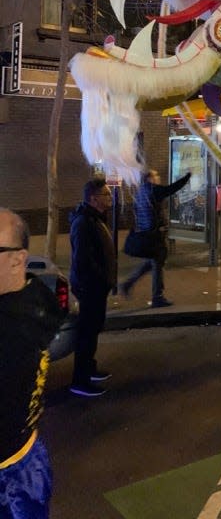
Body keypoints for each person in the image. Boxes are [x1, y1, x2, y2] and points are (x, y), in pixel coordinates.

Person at [0, 208, 64, 518]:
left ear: (16, 257)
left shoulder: (12, 328)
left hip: (13, 479)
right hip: (26, 456)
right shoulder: (33, 295)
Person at [69, 178, 117, 397]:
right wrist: (100, 279)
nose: (110, 198)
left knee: (93, 329)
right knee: (86, 333)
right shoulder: (84, 223)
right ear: (94, 199)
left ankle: (90, 368)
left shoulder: (95, 218)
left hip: (97, 287)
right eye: (106, 195)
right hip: (90, 288)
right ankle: (80, 381)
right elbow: (83, 260)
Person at [119, 169, 191, 307]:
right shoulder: (152, 190)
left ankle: (128, 284)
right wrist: (187, 177)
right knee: (157, 263)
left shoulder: (141, 191)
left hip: (145, 234)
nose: (158, 177)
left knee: (153, 262)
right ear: (149, 178)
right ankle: (157, 296)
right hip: (152, 236)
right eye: (156, 175)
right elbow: (171, 189)